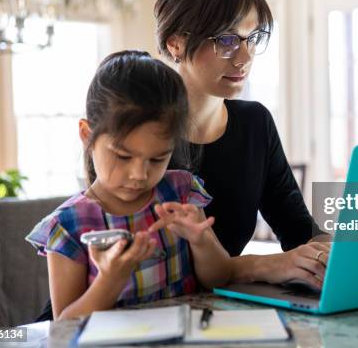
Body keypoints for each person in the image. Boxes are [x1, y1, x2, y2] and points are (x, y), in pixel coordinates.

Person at [154, 0, 331, 291]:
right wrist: (261, 265)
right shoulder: (144, 134)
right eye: (226, 40)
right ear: (176, 43)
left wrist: (334, 254)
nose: (244, 57)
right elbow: (159, 270)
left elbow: (297, 231)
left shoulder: (254, 124)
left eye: (252, 38)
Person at [25, 50, 230, 320]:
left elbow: (220, 278)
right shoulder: (68, 225)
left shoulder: (180, 193)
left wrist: (200, 240)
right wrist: (110, 279)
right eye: (122, 156)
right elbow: (64, 324)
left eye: (158, 158)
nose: (139, 174)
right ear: (87, 136)